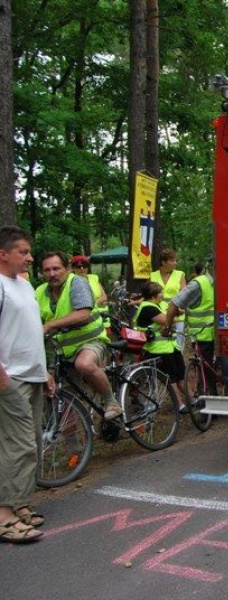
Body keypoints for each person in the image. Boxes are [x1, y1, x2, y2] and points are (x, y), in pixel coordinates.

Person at [0, 226, 49, 543]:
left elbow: (29, 330)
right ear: (3, 254)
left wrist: (46, 371)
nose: (30, 258)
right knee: (19, 446)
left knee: (30, 441)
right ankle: (4, 515)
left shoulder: (25, 285)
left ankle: (19, 504)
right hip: (10, 377)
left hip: (33, 375)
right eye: (23, 252)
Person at [35, 252, 122, 420]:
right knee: (59, 395)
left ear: (67, 268)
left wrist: (50, 325)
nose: (52, 274)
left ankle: (111, 401)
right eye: (47, 270)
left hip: (91, 341)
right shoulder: (40, 292)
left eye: (56, 268)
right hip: (61, 349)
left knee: (84, 364)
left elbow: (83, 313)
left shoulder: (77, 283)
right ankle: (74, 445)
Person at [164, 259, 228, 424]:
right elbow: (174, 304)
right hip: (203, 336)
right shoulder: (198, 284)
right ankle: (210, 409)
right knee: (205, 373)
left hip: (224, 333)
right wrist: (167, 326)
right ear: (211, 267)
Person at [134, 281, 188, 412]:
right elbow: (167, 320)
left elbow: (174, 313)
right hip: (158, 349)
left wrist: (173, 315)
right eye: (160, 293)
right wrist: (174, 317)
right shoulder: (148, 308)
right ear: (153, 295)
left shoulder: (157, 305)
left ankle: (193, 400)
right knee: (171, 378)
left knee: (181, 375)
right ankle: (180, 406)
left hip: (170, 346)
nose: (163, 295)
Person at [151, 248, 187, 350]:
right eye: (172, 260)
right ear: (163, 262)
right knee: (161, 345)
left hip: (177, 316)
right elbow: (149, 297)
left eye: (176, 260)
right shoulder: (152, 276)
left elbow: (185, 296)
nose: (175, 263)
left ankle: (178, 365)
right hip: (159, 317)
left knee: (178, 347)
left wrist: (180, 309)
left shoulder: (180, 275)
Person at [71, 254, 109, 329]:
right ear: (73, 268)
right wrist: (97, 302)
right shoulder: (71, 282)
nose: (82, 268)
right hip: (88, 321)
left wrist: (87, 304)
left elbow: (104, 297)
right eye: (78, 267)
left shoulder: (94, 278)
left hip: (104, 317)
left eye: (84, 266)